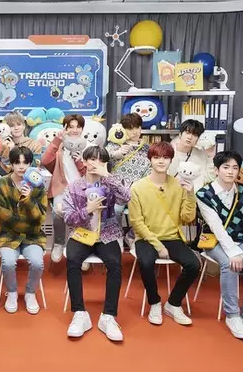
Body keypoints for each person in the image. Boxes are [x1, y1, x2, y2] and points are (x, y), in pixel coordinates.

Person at [196, 150, 243, 341]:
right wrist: (233, 253)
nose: (230, 171)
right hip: (215, 241)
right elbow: (216, 227)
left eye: (235, 168)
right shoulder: (204, 194)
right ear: (216, 170)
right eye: (226, 167)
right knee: (230, 265)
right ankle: (233, 315)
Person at [62, 146, 130, 342]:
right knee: (72, 260)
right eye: (91, 159)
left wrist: (107, 176)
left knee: (115, 263)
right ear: (84, 162)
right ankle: (79, 313)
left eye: (100, 160)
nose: (95, 163)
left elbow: (127, 197)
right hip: (82, 234)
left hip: (107, 234)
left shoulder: (111, 183)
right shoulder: (74, 187)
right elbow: (68, 218)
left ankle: (108, 316)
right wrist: (88, 209)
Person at [128, 142, 199, 326]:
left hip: (172, 237)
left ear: (171, 161)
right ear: (150, 159)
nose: (161, 161)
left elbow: (187, 217)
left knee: (193, 264)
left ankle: (173, 303)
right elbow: (136, 222)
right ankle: (154, 302)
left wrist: (190, 194)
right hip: (146, 238)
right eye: (156, 157)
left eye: (166, 157)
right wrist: (158, 245)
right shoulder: (138, 187)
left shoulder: (179, 185)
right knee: (146, 262)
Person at [0, 147, 48, 315]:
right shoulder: (0, 184)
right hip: (7, 235)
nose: (21, 166)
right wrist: (28, 222)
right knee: (8, 262)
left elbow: (40, 218)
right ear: (11, 164)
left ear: (30, 164)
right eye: (17, 162)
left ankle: (30, 293)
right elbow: (3, 217)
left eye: (25, 162)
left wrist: (29, 200)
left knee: (37, 262)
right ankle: (12, 292)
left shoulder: (38, 186)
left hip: (33, 236)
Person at [41, 114, 87, 263]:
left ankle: (81, 246)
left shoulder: (88, 147)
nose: (74, 130)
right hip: (62, 189)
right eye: (70, 127)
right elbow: (45, 161)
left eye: (78, 127)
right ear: (65, 128)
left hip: (83, 191)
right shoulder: (59, 147)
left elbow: (91, 174)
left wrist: (79, 162)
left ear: (82, 129)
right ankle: (59, 243)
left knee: (85, 215)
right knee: (57, 213)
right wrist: (57, 140)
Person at [105, 113, 151, 244]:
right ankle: (116, 238)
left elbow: (150, 168)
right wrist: (117, 154)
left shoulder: (146, 148)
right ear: (123, 129)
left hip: (138, 191)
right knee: (115, 210)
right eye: (130, 128)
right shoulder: (116, 143)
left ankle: (131, 236)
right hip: (117, 190)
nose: (135, 131)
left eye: (137, 127)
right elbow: (104, 156)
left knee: (147, 212)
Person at [167, 119, 216, 192]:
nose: (190, 137)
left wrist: (211, 156)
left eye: (195, 135)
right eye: (187, 133)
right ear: (180, 134)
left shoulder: (200, 154)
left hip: (194, 196)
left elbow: (210, 178)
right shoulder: (168, 153)